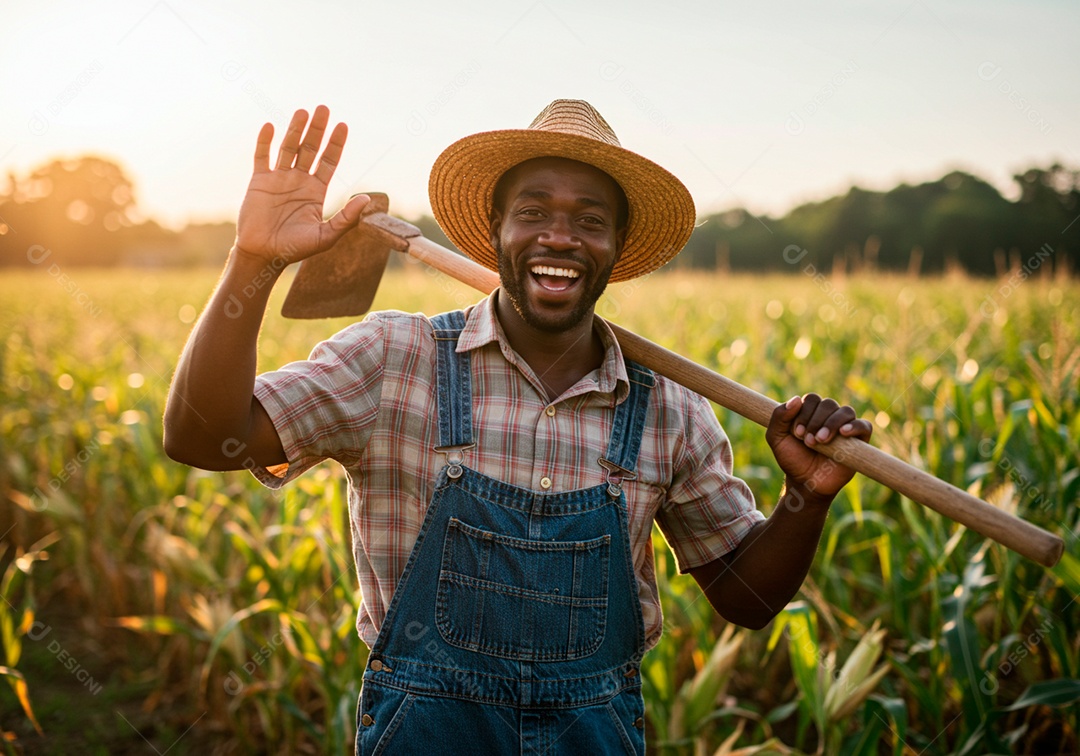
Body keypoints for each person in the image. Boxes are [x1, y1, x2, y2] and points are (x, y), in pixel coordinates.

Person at [164, 99, 872, 755]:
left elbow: (747, 600)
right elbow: (199, 436)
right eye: (533, 212)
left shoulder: (669, 409)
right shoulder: (395, 360)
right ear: (495, 230)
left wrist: (805, 497)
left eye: (590, 220)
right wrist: (254, 261)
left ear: (617, 246)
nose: (559, 236)